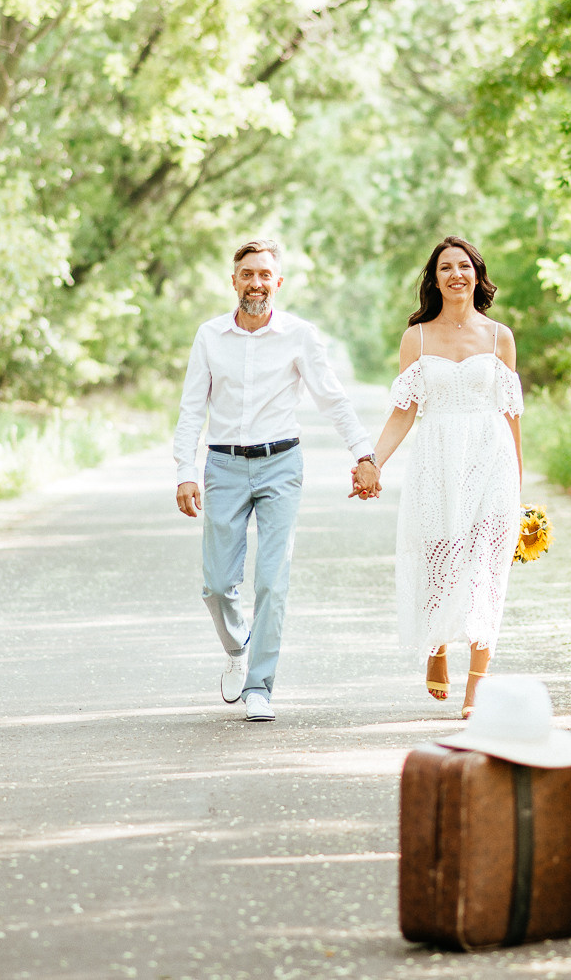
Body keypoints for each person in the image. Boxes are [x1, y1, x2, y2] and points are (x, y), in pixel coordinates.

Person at [172, 239, 380, 721]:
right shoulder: (209, 335)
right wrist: (185, 471)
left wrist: (364, 454)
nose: (256, 283)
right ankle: (237, 647)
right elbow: (191, 408)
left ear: (278, 282)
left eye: (265, 274)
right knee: (216, 585)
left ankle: (259, 686)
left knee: (272, 580)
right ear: (234, 281)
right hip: (223, 466)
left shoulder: (299, 335)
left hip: (281, 464)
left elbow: (332, 398)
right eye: (247, 274)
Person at [354, 236, 524, 719]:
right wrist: (372, 462)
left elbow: (511, 414)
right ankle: (436, 646)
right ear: (434, 279)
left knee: (485, 570)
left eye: (463, 266)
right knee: (439, 560)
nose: (456, 275)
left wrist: (517, 486)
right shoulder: (418, 338)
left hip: (491, 461)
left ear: (477, 275)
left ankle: (477, 686)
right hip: (436, 461)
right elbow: (403, 412)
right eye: (445, 267)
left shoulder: (500, 337)